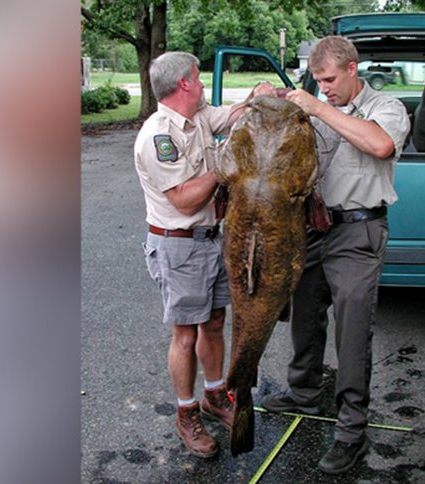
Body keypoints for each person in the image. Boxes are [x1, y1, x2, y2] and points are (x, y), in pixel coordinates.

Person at [261, 36, 410, 474]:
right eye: (317, 80)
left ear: (351, 69)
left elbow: (380, 146)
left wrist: (319, 108)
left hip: (358, 231)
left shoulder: (385, 107)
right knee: (304, 316)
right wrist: (264, 96)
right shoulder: (314, 104)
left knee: (352, 330)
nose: (323, 87)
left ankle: (350, 430)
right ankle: (303, 390)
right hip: (312, 228)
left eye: (329, 80)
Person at [133, 51, 275, 458]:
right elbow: (185, 199)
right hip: (178, 244)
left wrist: (258, 96)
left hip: (212, 239)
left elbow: (231, 115)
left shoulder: (198, 117)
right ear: (184, 84)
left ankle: (215, 397)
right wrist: (225, 165)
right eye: (198, 77)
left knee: (214, 323)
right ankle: (186, 412)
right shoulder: (158, 137)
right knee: (186, 333)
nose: (201, 82)